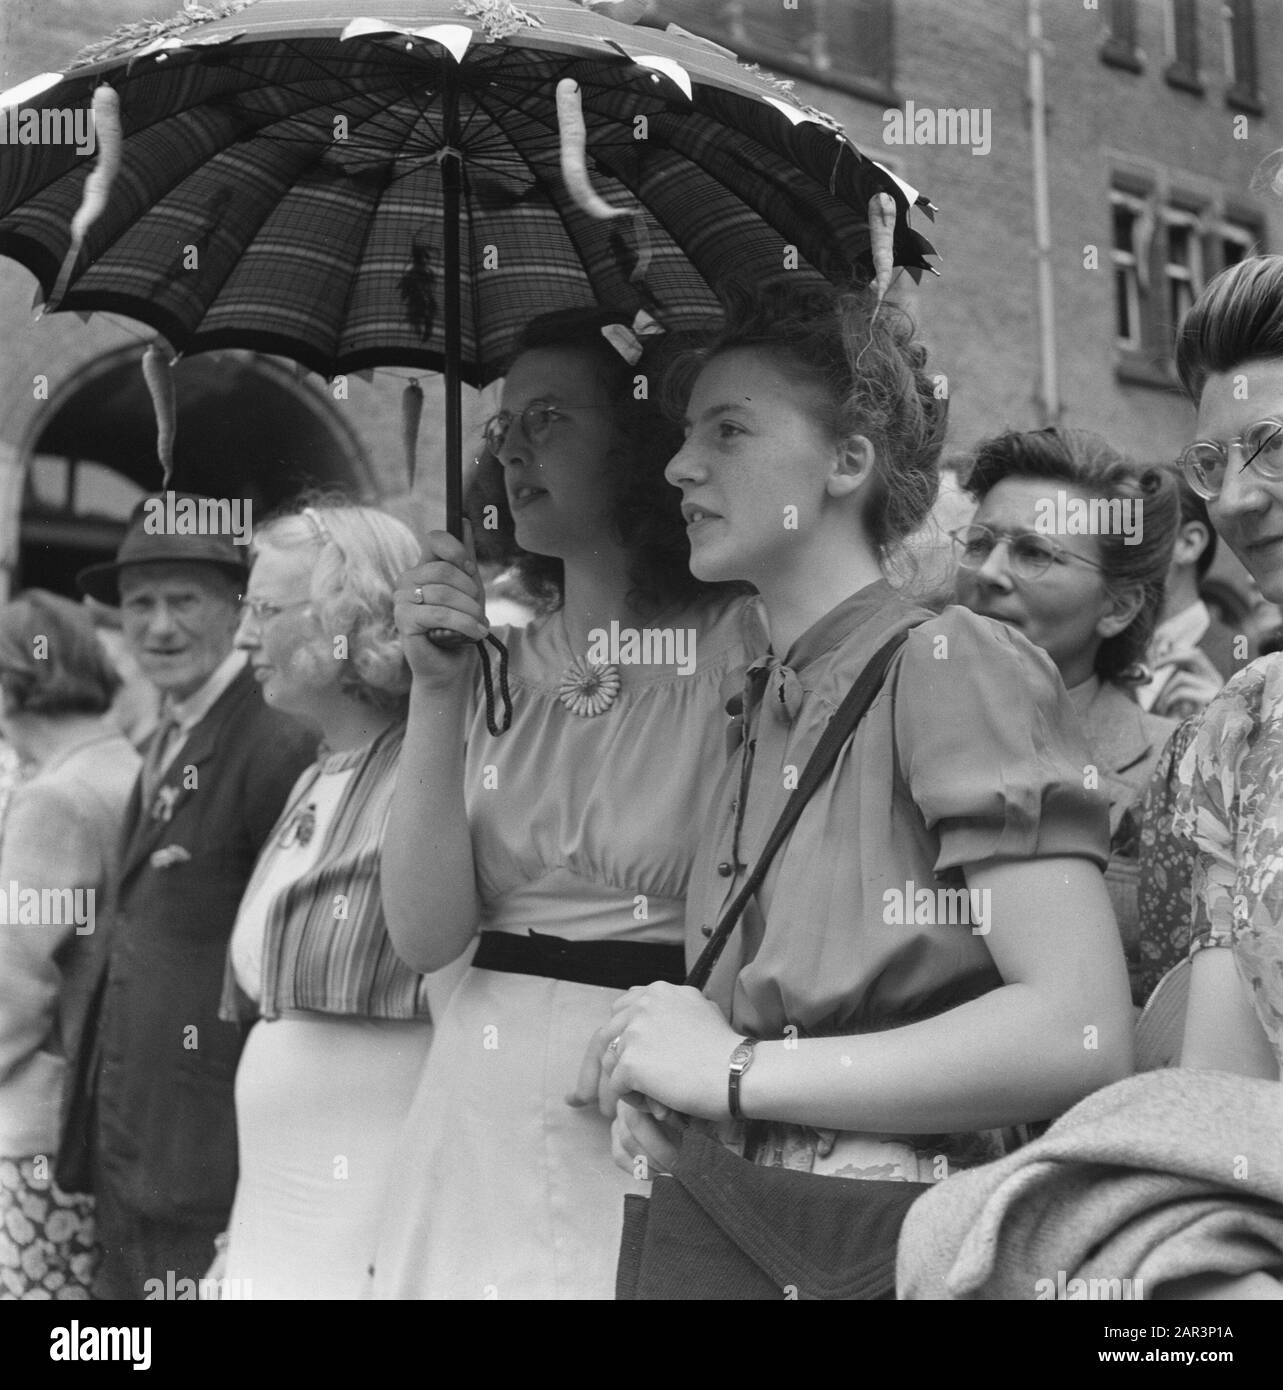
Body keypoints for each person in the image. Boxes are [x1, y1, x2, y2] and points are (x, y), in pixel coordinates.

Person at [588, 284, 1132, 1263]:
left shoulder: (947, 662)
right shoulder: (757, 694)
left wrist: (734, 1071)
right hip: (738, 1226)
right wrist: (691, 1101)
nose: (678, 463)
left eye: (728, 430)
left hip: (893, 1251)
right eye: (684, 431)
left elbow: (1078, 1028)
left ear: (846, 462)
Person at [370, 308, 761, 1300]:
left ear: (637, 443)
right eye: (502, 430)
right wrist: (434, 689)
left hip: (644, 1089)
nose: (512, 453)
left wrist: (688, 1037)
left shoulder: (742, 642)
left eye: (547, 420)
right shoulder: (492, 660)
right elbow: (423, 933)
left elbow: (766, 902)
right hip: (477, 1096)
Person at [56, 496, 317, 1300]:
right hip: (135, 1143)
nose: (159, 627)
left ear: (237, 607)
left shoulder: (274, 736)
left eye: (184, 601)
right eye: (140, 604)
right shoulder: (170, 728)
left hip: (207, 1157)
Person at [213, 503, 436, 1299]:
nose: (242, 637)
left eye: (265, 611)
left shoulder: (429, 774)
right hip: (273, 1227)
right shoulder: (319, 772)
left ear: (346, 618)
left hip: (361, 1240)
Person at [952, 429, 1179, 1005]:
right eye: (979, 543)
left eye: (1034, 553)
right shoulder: (892, 731)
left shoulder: (1175, 771)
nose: (990, 572)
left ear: (1118, 606)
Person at [0, 592, 139, 1298]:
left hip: (33, 1128)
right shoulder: (127, 766)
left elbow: (13, 985)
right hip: (94, 1119)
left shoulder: (56, 798)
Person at [1169, 253, 1283, 1087]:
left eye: (1272, 446)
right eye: (1212, 462)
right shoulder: (1243, 723)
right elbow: (1220, 1093)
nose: (1237, 500)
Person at [1135, 469, 1241, 719]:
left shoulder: (1247, 659)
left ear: (1189, 544)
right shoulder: (1097, 652)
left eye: (1135, 535)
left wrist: (1225, 729)